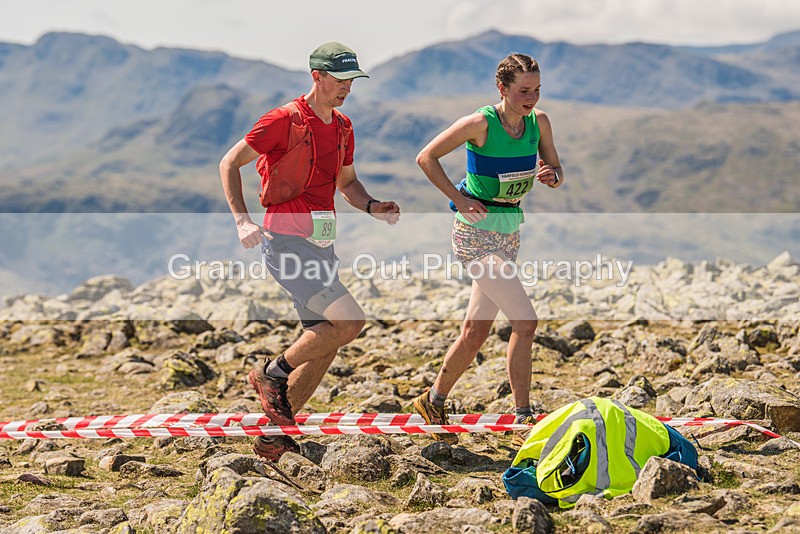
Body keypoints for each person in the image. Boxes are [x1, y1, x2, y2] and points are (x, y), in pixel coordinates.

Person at [219, 42, 400, 461]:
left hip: (322, 246)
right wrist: (242, 220)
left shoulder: (343, 127)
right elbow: (230, 162)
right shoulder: (283, 119)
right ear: (316, 76)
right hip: (285, 243)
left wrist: (373, 205)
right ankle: (270, 374)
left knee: (325, 341)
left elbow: (348, 183)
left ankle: (274, 437)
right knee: (350, 322)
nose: (347, 89)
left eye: (352, 81)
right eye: (340, 81)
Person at [413, 53, 563, 446]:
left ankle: (433, 401)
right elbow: (425, 158)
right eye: (523, 91)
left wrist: (551, 175)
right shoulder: (480, 123)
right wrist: (457, 199)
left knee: (475, 331)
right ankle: (524, 415)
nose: (531, 99)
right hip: (475, 235)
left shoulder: (539, 122)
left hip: (509, 231)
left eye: (536, 90)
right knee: (526, 322)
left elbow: (556, 171)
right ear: (502, 89)